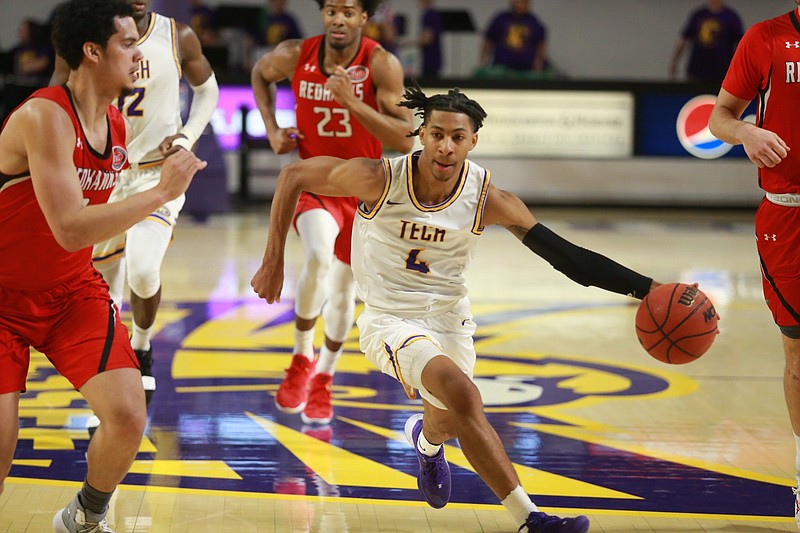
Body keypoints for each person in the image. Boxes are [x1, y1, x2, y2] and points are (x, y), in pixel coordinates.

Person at [251, 83, 665, 532]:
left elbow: (568, 258)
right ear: (421, 134)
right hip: (388, 319)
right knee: (466, 396)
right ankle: (533, 520)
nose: (446, 147)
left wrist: (649, 288)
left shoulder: (487, 198)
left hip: (450, 317)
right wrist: (273, 258)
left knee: (449, 420)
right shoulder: (379, 178)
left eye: (458, 137)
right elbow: (293, 176)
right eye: (437, 134)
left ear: (473, 142)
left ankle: (426, 444)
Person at [0, 0, 206, 531]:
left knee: (128, 415)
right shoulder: (44, 116)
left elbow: (89, 225)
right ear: (92, 52)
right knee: (2, 446)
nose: (140, 55)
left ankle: (84, 518)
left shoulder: (115, 120)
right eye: (127, 44)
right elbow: (70, 227)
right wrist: (162, 191)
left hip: (69, 292)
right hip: (3, 300)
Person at [51, 0, 219, 435]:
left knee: (144, 271)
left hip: (152, 175)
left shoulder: (176, 35)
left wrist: (186, 136)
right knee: (105, 289)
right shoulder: (87, 36)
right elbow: (59, 95)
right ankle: (113, 385)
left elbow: (208, 89)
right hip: (101, 174)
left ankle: (142, 347)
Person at [251, 0, 413, 426]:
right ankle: (301, 357)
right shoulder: (294, 53)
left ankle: (324, 376)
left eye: (349, 12)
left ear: (365, 18)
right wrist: (271, 128)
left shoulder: (382, 65)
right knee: (318, 258)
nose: (339, 19)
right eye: (331, 11)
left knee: (343, 290)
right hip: (314, 183)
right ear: (323, 16)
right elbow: (259, 74)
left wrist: (354, 103)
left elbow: (406, 138)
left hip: (363, 192)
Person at [707, 1, 800, 527]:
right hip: (789, 216)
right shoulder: (766, 38)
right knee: (797, 353)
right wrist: (745, 132)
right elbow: (720, 114)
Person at [669, 0, 744, 85]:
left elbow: (739, 43)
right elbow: (684, 39)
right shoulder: (698, 15)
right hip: (697, 69)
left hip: (722, 70)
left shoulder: (731, 17)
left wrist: (738, 68)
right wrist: (675, 61)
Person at [480, 0, 547, 72]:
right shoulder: (501, 18)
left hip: (526, 69)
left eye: (524, 2)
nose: (521, 5)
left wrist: (538, 67)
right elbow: (488, 42)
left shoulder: (533, 21)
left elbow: (540, 46)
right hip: (501, 69)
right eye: (518, 2)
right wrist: (482, 64)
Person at [402, 0, 443, 78]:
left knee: (430, 82)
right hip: (432, 58)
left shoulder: (429, 15)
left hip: (431, 58)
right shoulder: (434, 14)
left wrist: (406, 44)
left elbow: (427, 39)